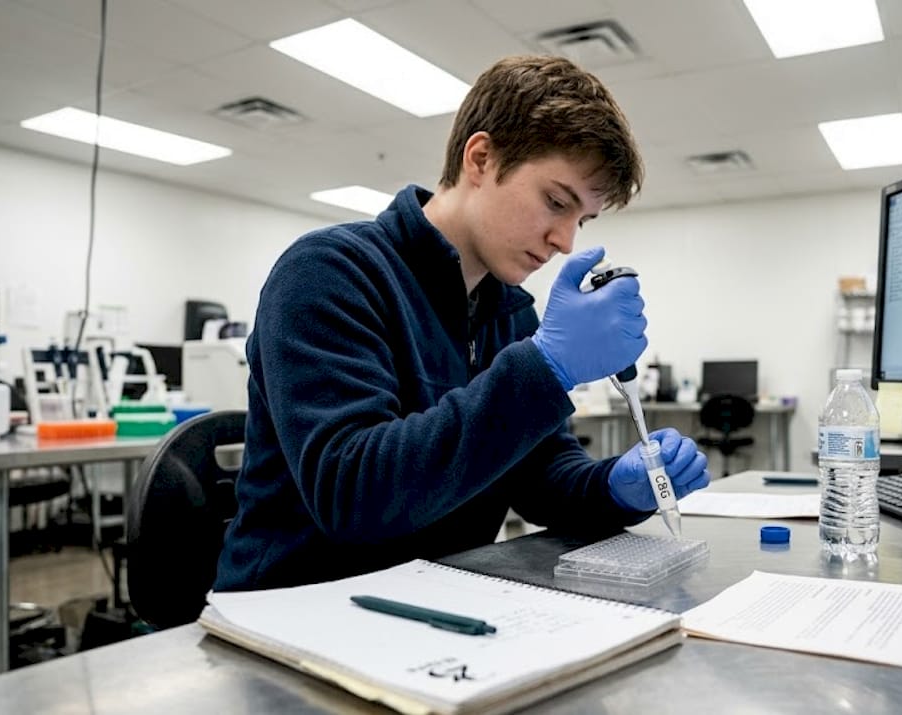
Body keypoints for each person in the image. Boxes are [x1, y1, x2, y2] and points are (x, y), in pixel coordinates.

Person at [214, 55, 710, 591]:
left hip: (437, 600)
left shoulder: (511, 311)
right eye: (555, 202)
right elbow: (352, 495)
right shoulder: (328, 272)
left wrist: (616, 487)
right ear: (481, 158)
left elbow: (540, 478)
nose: (566, 240)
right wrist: (545, 367)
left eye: (581, 220)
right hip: (298, 610)